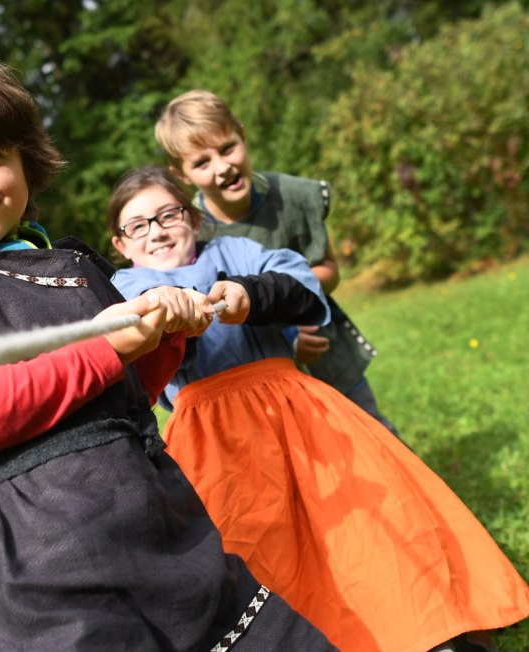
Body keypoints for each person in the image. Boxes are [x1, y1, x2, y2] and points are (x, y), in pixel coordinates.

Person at [0, 59, 335, 651]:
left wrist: (162, 334)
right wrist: (104, 347)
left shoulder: (66, 263)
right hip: (50, 582)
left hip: (163, 532)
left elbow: (118, 396)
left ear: (27, 157)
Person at [107, 165, 529, 652]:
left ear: (195, 219)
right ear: (121, 243)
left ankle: (430, 633)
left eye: (169, 214)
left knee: (362, 521)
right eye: (138, 225)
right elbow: (128, 345)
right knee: (253, 545)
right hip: (211, 436)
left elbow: (302, 284)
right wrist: (169, 315)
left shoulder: (234, 251)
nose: (156, 231)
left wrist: (250, 294)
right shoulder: (122, 286)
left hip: (296, 409)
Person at [155, 89, 399, 436]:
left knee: (371, 436)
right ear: (181, 174)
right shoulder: (188, 230)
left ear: (242, 133)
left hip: (321, 345)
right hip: (256, 372)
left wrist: (287, 306)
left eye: (227, 148)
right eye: (202, 163)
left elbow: (328, 269)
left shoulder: (293, 197)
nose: (223, 167)